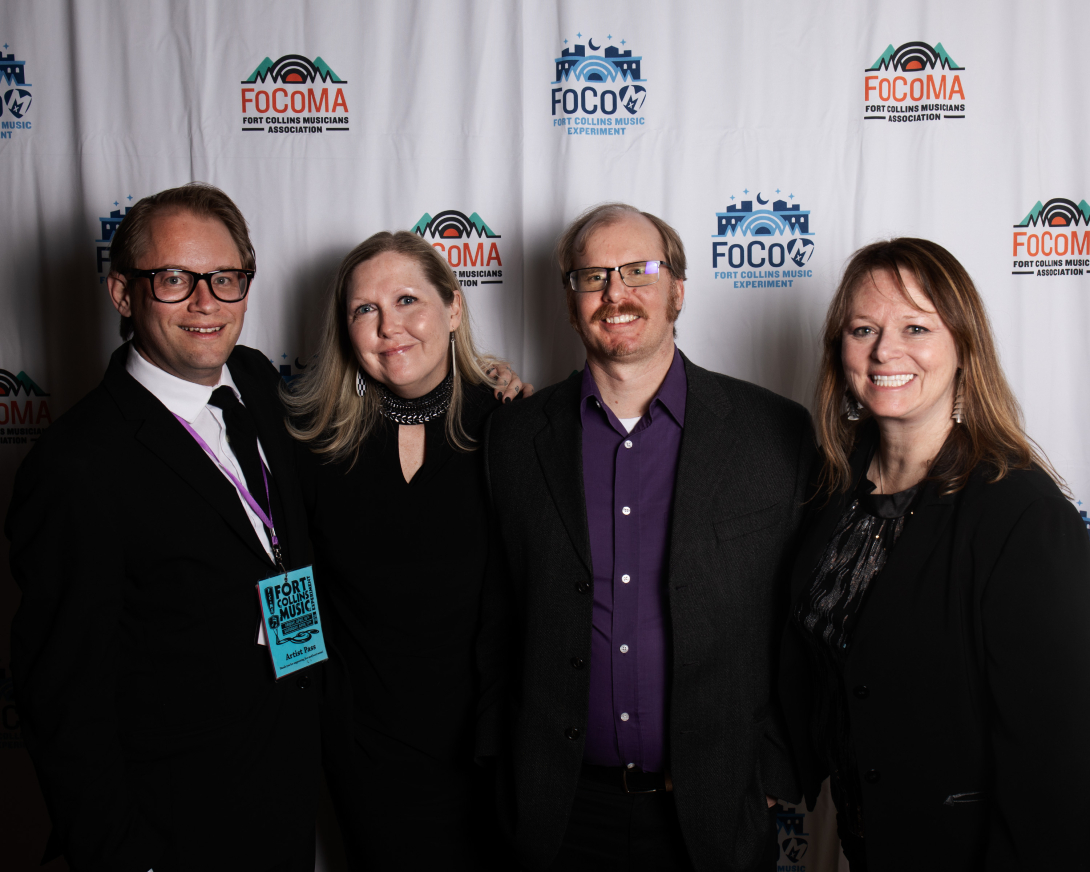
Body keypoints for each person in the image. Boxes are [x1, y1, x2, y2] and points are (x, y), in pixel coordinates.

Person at [482, 203, 816, 871]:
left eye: (639, 270)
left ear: (679, 290)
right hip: (559, 812)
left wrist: (777, 767)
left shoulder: (773, 434)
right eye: (593, 276)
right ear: (571, 300)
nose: (616, 293)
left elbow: (798, 616)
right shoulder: (514, 438)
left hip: (714, 812)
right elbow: (496, 615)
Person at [6, 183, 321, 871]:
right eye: (175, 279)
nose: (206, 302)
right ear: (124, 293)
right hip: (175, 833)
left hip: (286, 802)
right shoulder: (77, 465)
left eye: (225, 278)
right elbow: (63, 698)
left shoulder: (257, 381)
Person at [778, 238, 1090, 870]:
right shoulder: (830, 491)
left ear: (962, 347)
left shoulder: (1021, 514)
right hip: (861, 846)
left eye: (915, 327)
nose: (885, 351)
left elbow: (1058, 757)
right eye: (863, 328)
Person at [283, 230, 526, 870]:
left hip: (491, 753)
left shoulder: (515, 428)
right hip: (366, 757)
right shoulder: (311, 447)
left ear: (453, 309)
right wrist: (311, 719)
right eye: (366, 309)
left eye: (408, 301)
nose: (390, 327)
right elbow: (291, 590)